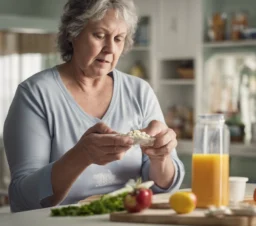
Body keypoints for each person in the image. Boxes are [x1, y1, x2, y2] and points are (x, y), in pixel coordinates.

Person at [3, 0, 185, 212]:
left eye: (118, 39)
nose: (109, 49)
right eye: (99, 35)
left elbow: (163, 187)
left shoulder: (139, 92)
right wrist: (82, 155)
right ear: (73, 33)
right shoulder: (35, 94)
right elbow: (22, 197)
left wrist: (160, 157)